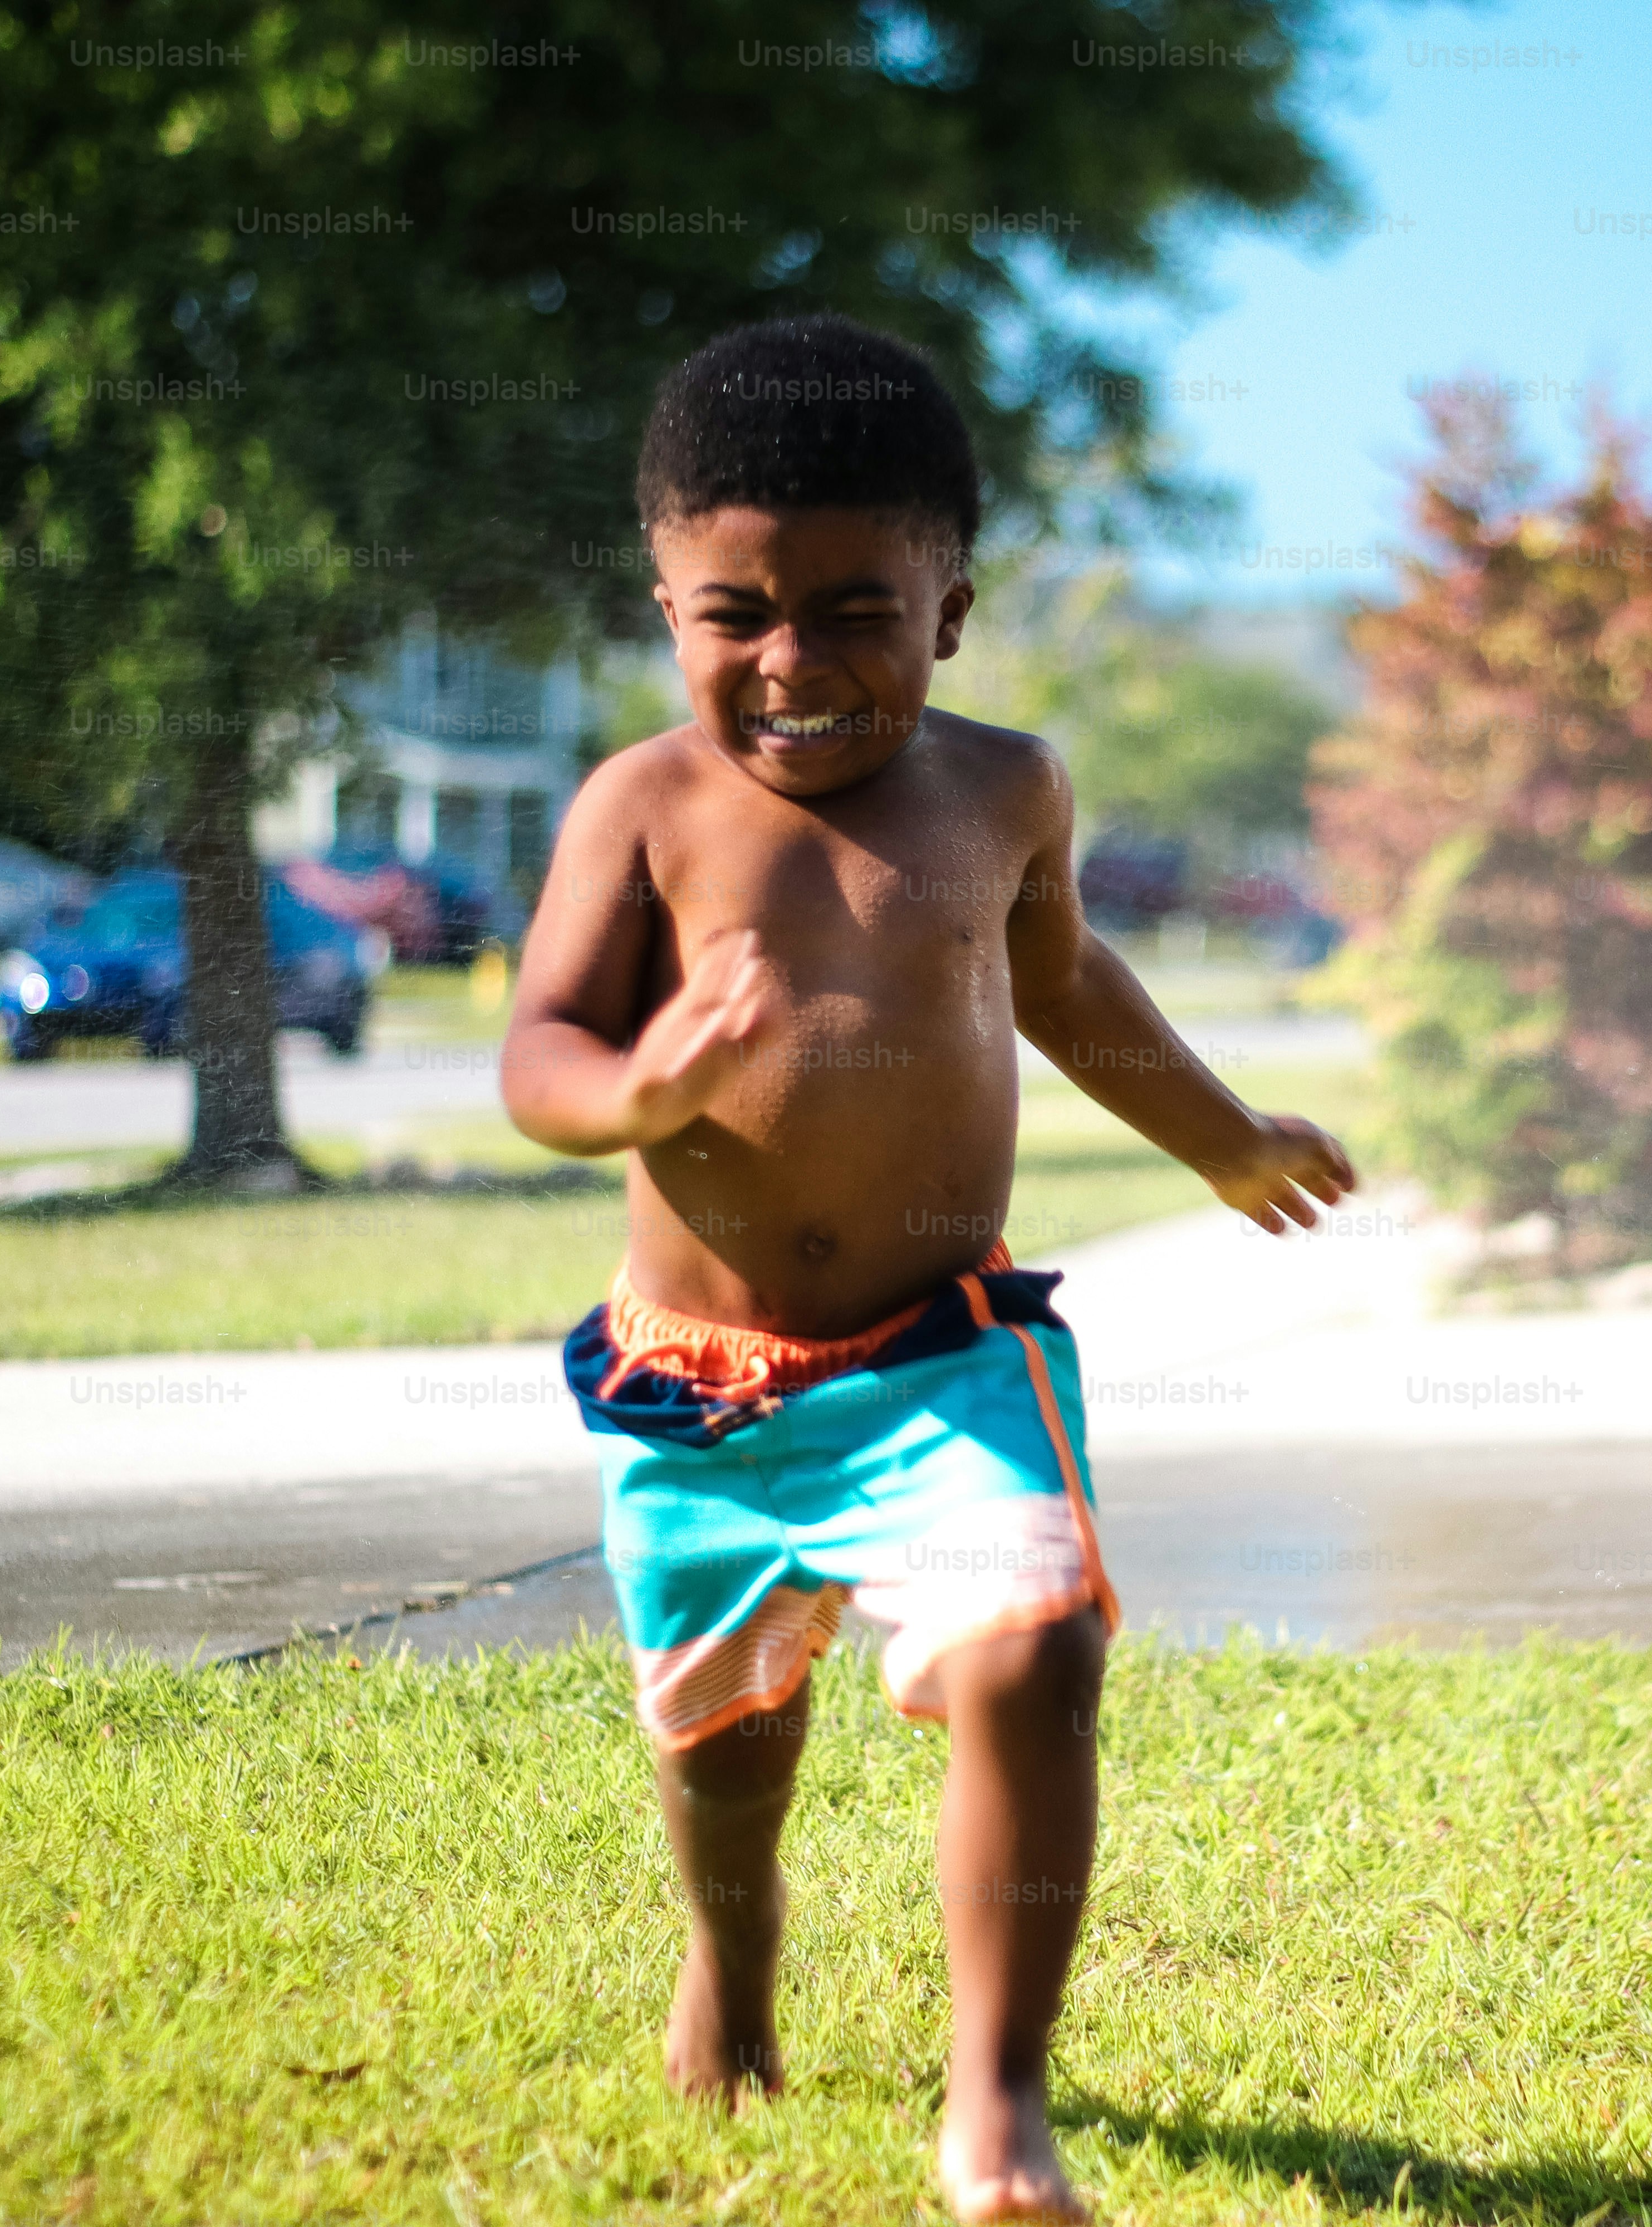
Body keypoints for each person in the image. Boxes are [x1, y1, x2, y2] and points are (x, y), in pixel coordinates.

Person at [501, 313, 1351, 2223]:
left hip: (943, 1359)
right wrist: (639, 1085)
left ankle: (997, 2102)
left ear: (951, 606)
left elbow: (1063, 992)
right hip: (695, 1394)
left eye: (858, 609)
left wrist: (1223, 1139)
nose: (794, 662)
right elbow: (538, 1058)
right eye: (737, 615)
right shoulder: (640, 809)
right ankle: (733, 1966)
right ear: (665, 601)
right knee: (731, 1752)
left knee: (1038, 1653)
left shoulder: (1004, 794)